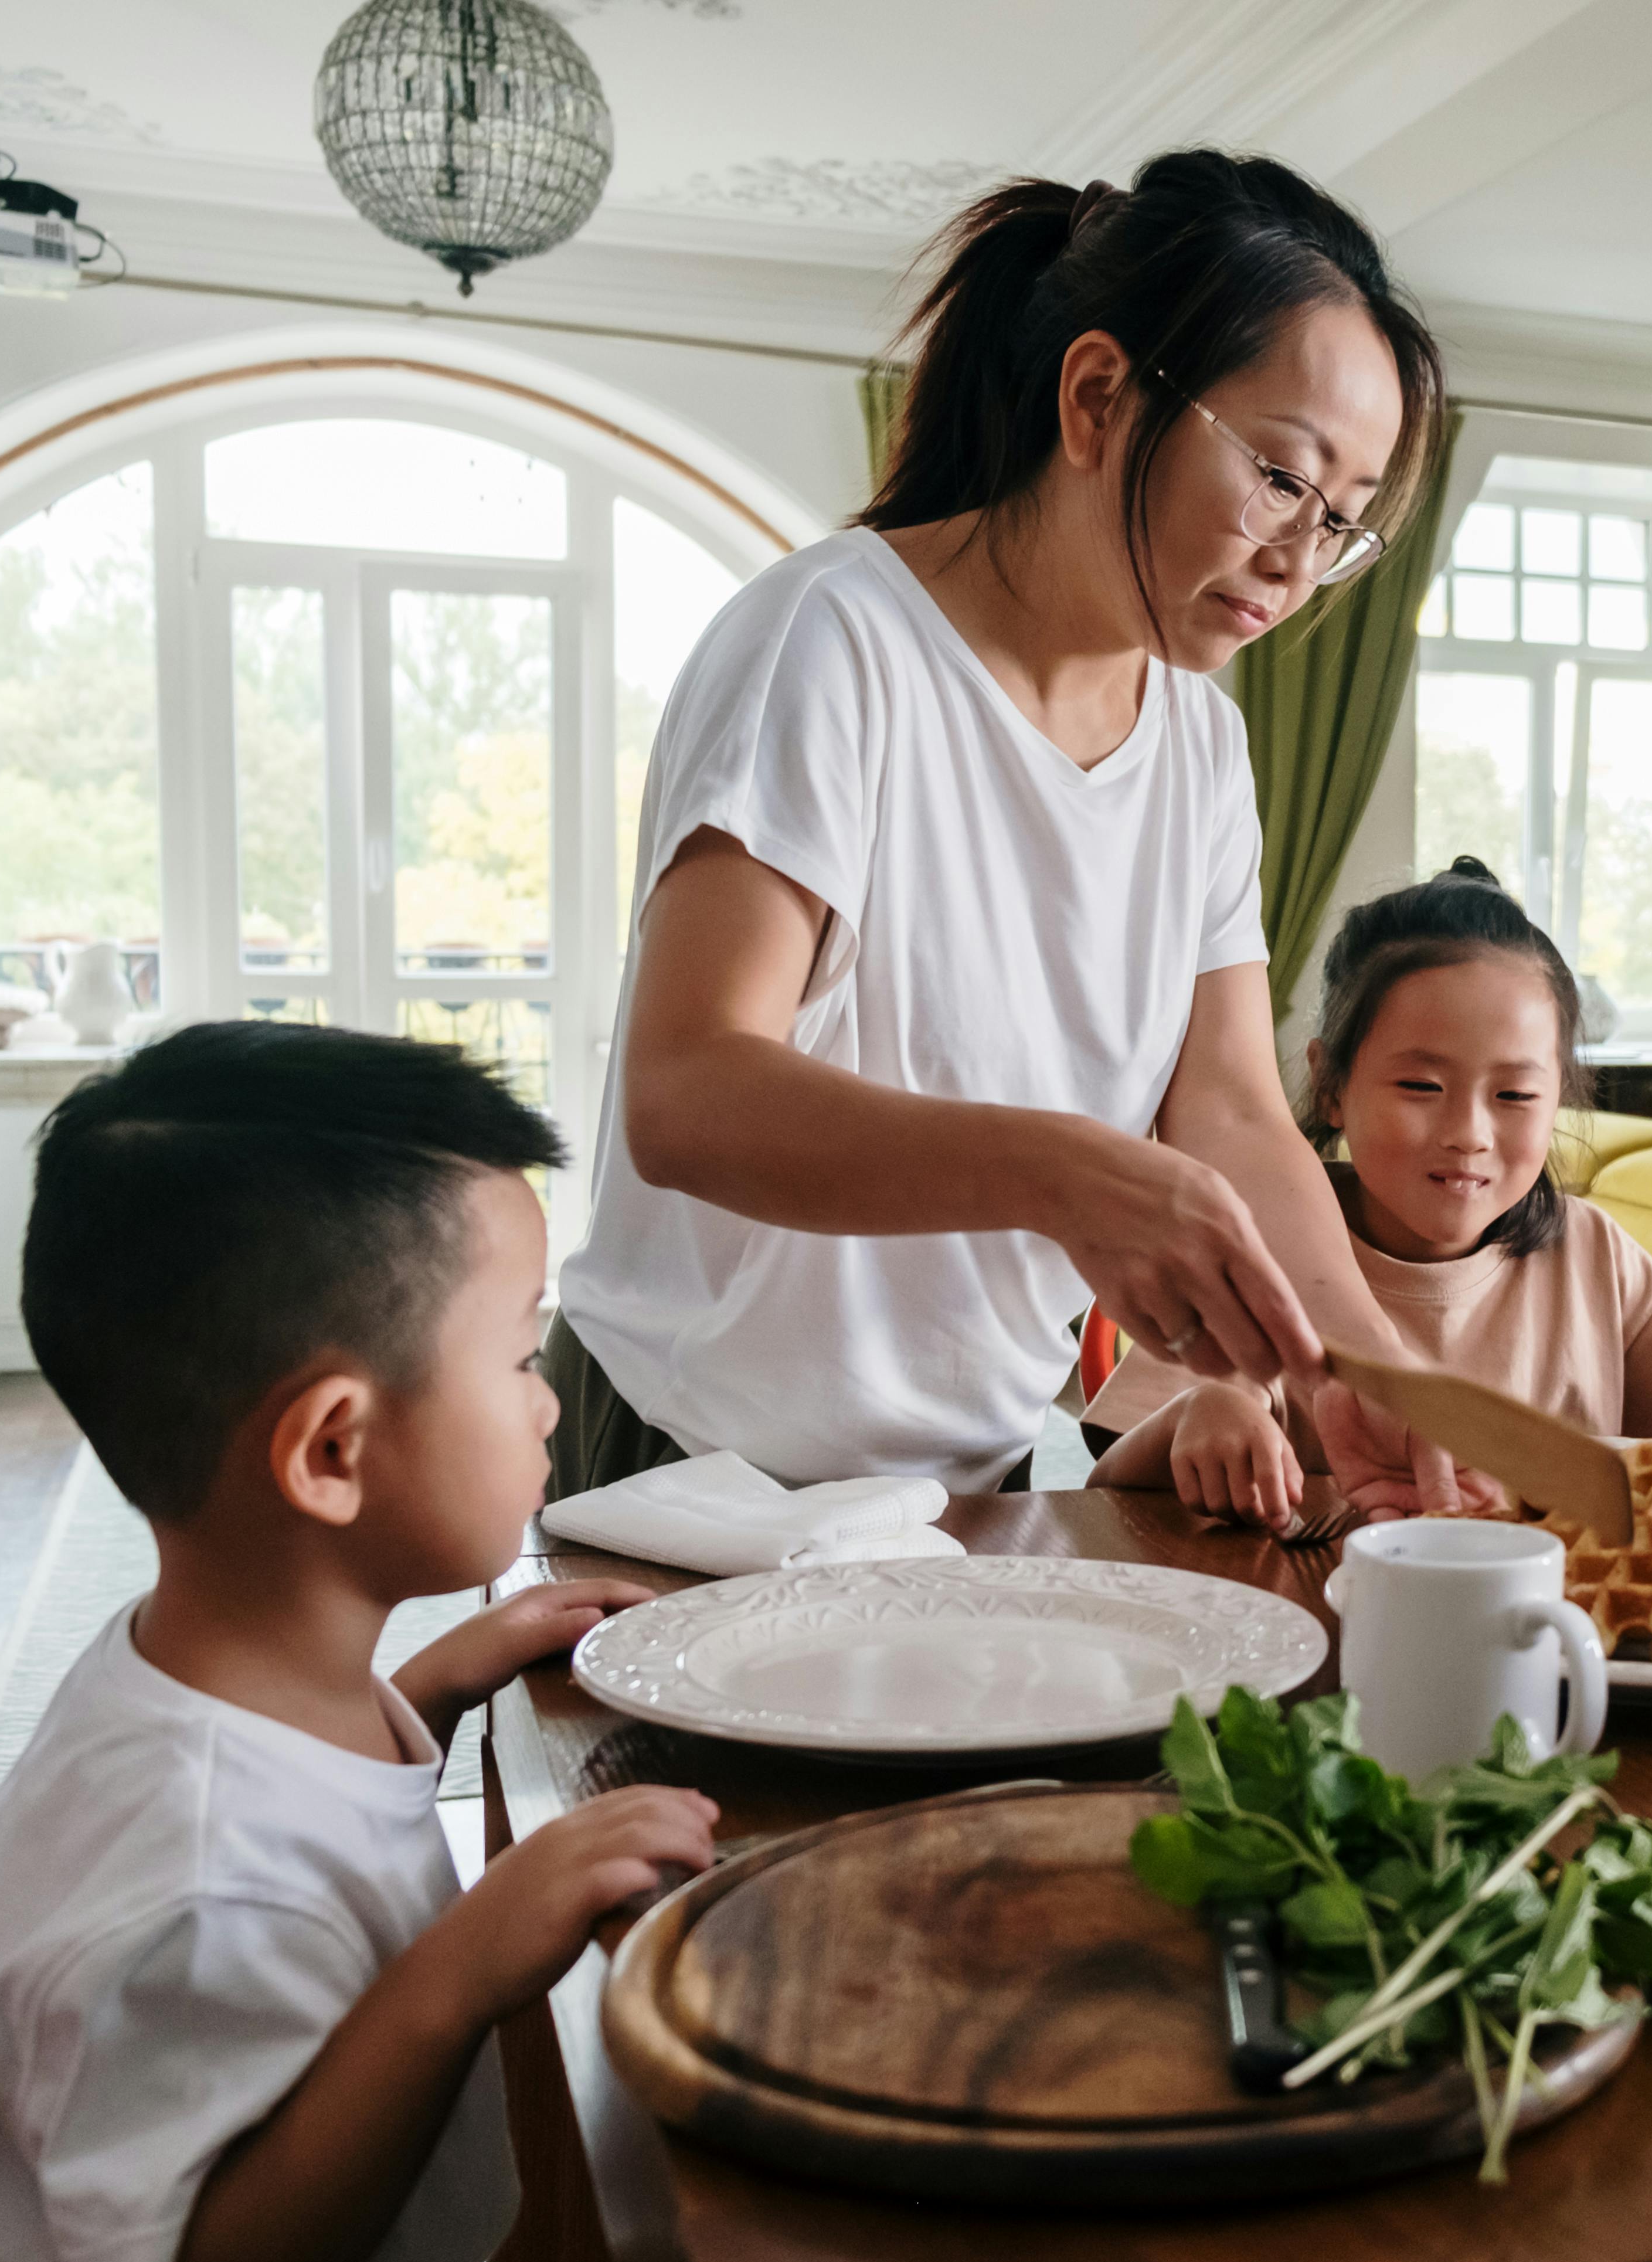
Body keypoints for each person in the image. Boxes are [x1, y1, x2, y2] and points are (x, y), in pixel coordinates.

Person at [549, 151, 1463, 1514]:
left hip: (960, 1478)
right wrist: (1074, 1173)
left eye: (1342, 523)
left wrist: (1372, 1372)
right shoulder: (834, 642)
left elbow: (1226, 1110)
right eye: (1280, 475)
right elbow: (692, 1094)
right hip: (695, 1461)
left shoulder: (1203, 746)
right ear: (1098, 397)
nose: (1298, 560)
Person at [0, 1024, 719, 2262]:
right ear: (332, 1450)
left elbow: (303, 1796)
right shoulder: (199, 1885)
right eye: (521, 1358)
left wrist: (444, 1681)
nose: (547, 1405)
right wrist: (458, 1972)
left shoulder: (206, 1662)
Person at [1083, 860, 1652, 1526]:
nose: (1469, 1132)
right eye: (1421, 1086)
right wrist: (1206, 1410)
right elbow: (1105, 1483)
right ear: (1331, 1083)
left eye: (1515, 1094)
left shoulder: (1592, 1255)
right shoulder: (1253, 1246)